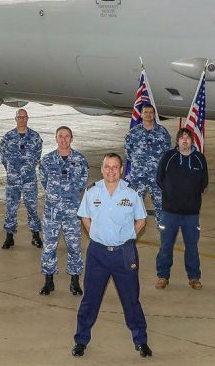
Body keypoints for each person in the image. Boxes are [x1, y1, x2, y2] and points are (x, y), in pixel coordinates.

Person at [72, 153, 152, 358]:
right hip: (98, 254)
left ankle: (141, 340)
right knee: (90, 299)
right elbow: (85, 216)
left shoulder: (131, 193)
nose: (111, 171)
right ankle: (81, 340)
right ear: (102, 169)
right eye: (107, 166)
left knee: (131, 299)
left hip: (124, 254)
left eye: (115, 167)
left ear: (121, 169)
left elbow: (141, 219)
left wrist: (128, 236)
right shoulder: (92, 192)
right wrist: (94, 234)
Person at [154, 128, 208, 290]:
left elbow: (204, 182)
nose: (185, 140)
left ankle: (194, 277)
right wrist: (171, 193)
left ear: (192, 141)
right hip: (169, 212)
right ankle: (163, 276)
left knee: (192, 246)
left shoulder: (199, 158)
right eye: (181, 138)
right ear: (177, 141)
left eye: (188, 138)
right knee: (165, 246)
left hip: (191, 214)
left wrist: (190, 195)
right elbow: (159, 178)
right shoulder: (169, 157)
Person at [38, 126, 89, 296]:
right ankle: (49, 280)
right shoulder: (47, 160)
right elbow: (44, 182)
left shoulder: (80, 160)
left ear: (72, 139)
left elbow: (83, 183)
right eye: (61, 136)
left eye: (67, 136)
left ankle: (74, 281)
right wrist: (56, 197)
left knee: (74, 247)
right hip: (52, 212)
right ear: (56, 138)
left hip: (72, 212)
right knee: (49, 247)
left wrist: (69, 197)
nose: (64, 139)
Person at [0, 109, 43, 249]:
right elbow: (3, 158)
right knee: (11, 207)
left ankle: (35, 235)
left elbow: (37, 157)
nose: (22, 119)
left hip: (29, 179)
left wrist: (26, 169)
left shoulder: (35, 137)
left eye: (24, 117)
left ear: (27, 118)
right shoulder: (8, 137)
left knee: (32, 207)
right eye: (20, 117)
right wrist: (13, 171)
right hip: (13, 180)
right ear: (16, 118)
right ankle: (9, 236)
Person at [124, 104, 171, 228]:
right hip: (138, 178)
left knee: (161, 206)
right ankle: (129, 233)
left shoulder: (162, 132)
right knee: (133, 206)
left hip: (157, 178)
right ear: (141, 114)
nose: (148, 114)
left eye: (151, 112)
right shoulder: (133, 133)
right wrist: (140, 164)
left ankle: (163, 234)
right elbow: (128, 152)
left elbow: (167, 153)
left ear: (154, 114)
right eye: (145, 112)